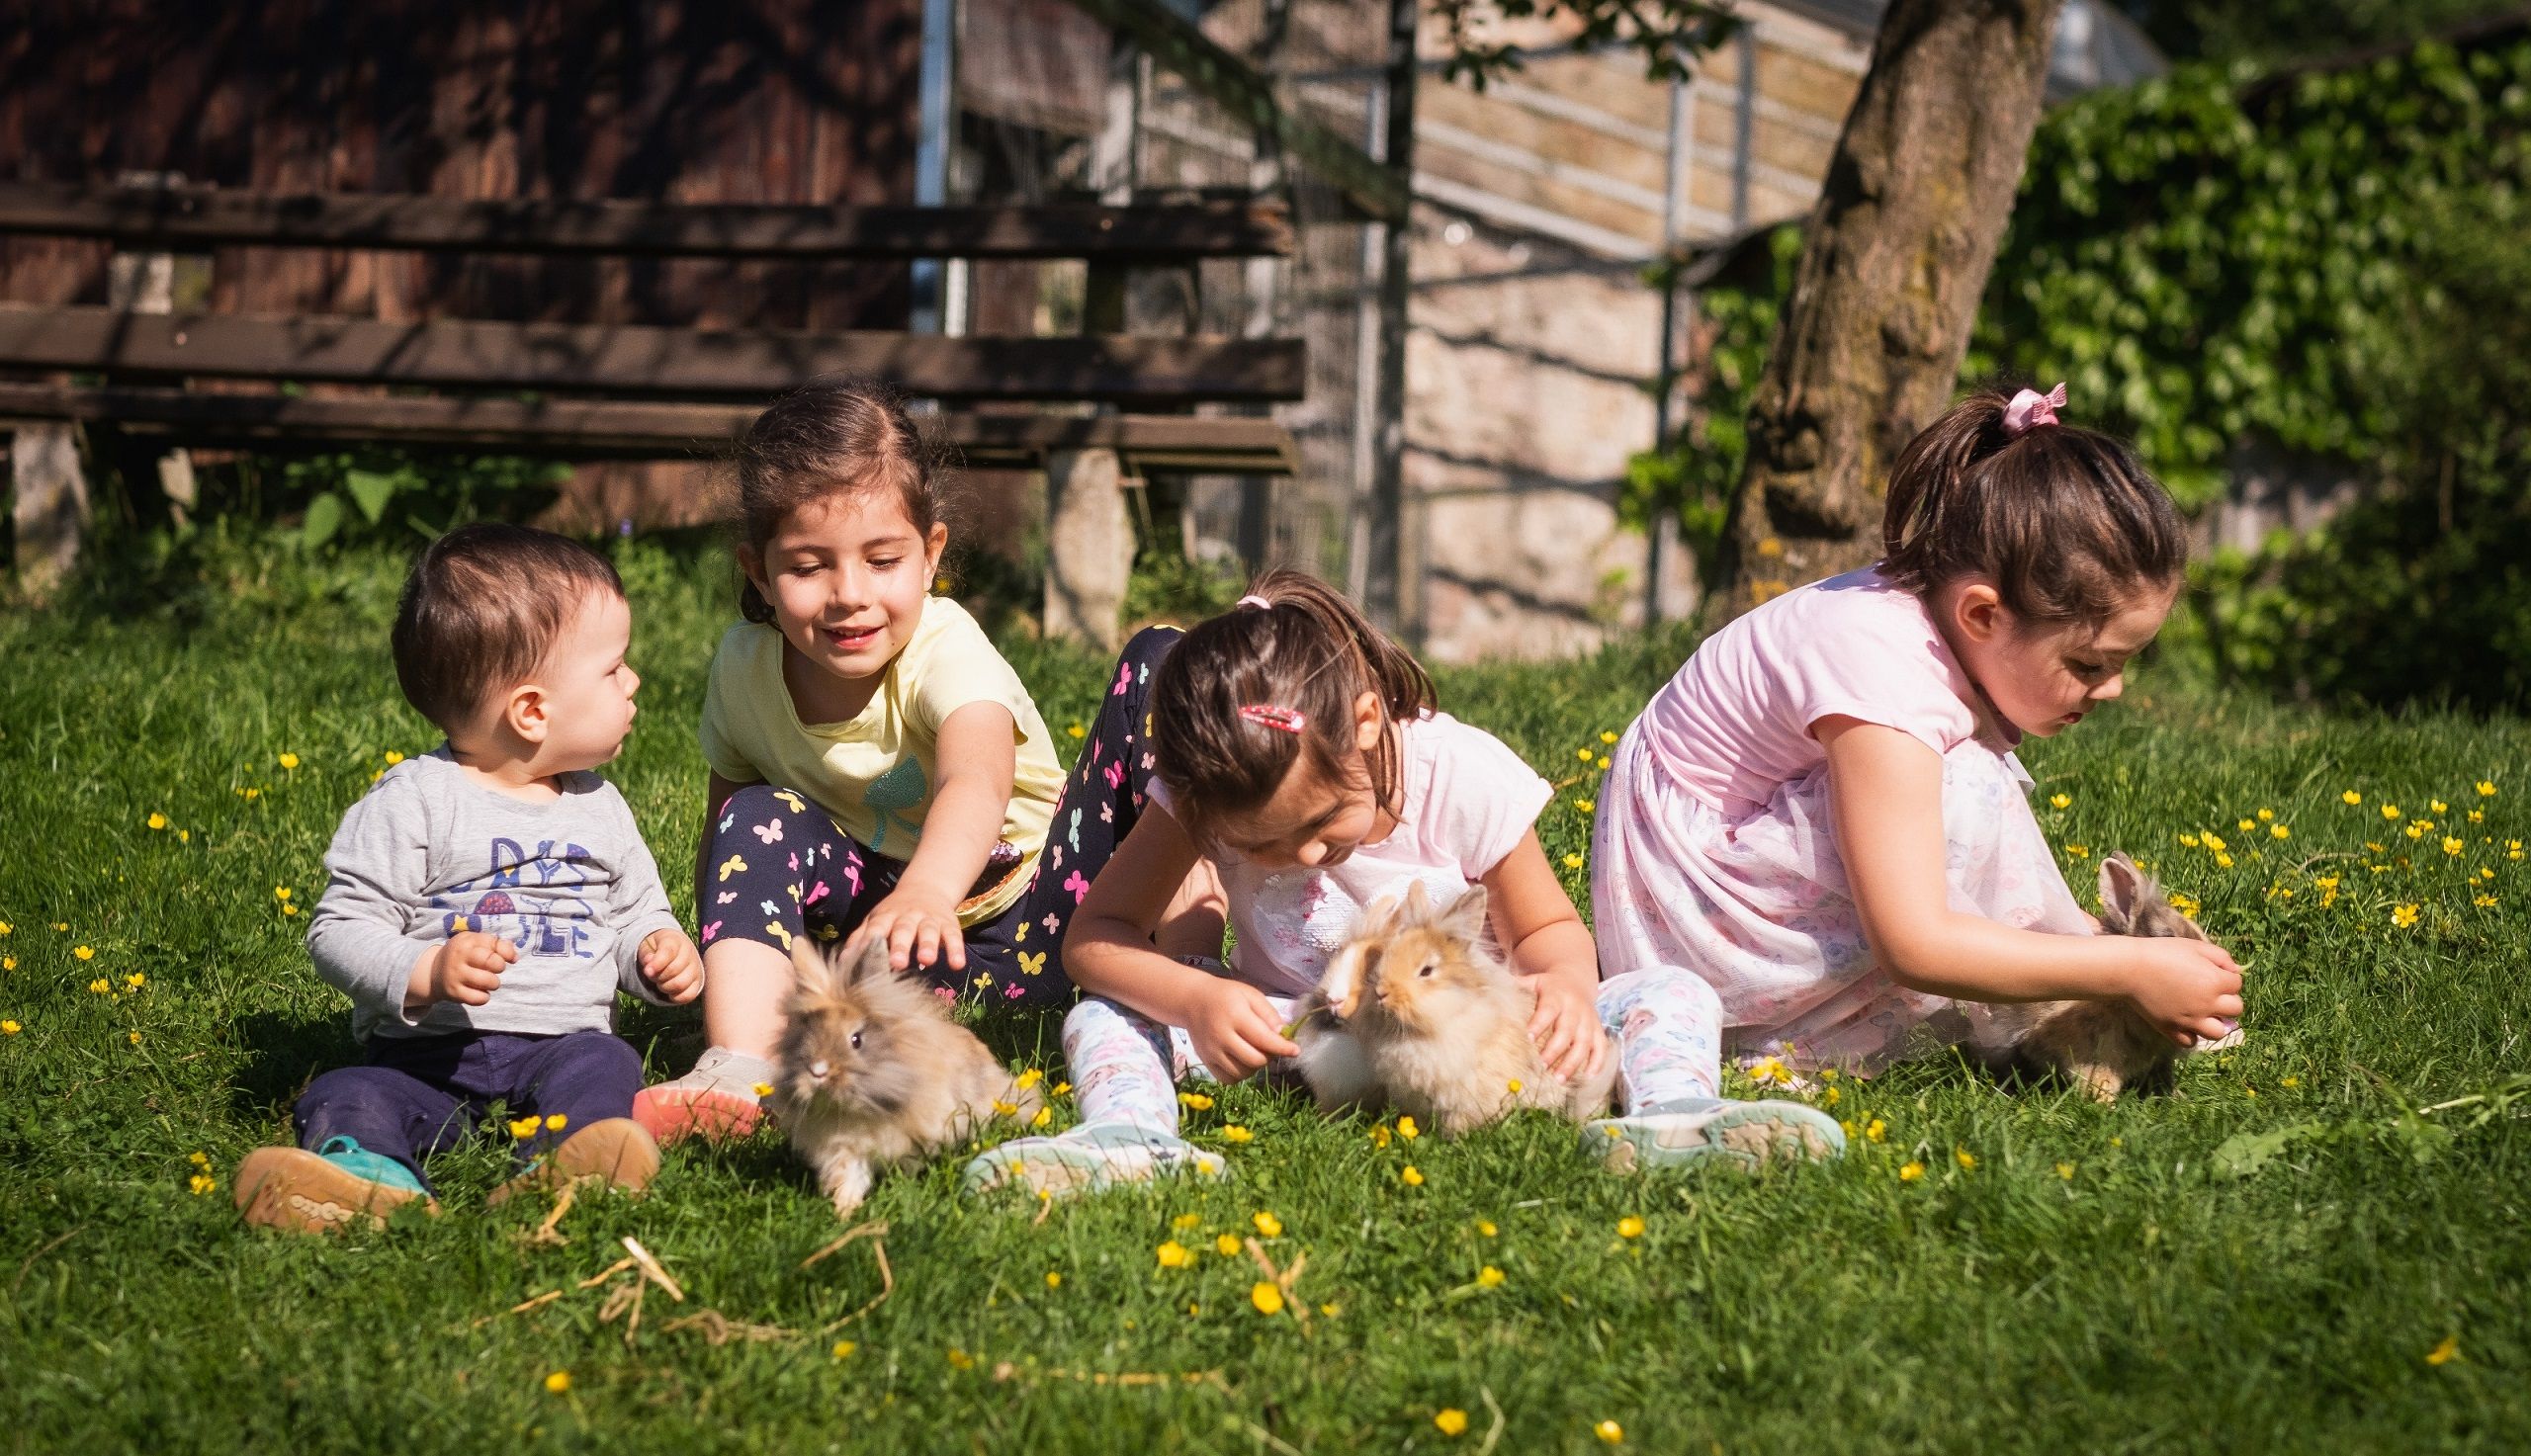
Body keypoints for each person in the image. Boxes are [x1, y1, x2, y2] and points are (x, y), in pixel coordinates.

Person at [966, 570, 1842, 1197]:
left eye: (1323, 821)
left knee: (1669, 991)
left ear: (1366, 721)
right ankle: (1129, 1138)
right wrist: (1195, 997)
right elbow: (1096, 938)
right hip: (1300, 1035)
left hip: (1476, 1033)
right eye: (1263, 846)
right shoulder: (1201, 794)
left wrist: (1566, 991)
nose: (1307, 855)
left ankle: (1678, 1115)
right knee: (1105, 1014)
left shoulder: (1458, 773)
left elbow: (1548, 930)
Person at [1591, 384, 2245, 1095]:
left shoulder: (1924, 633)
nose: (2113, 689)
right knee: (1963, 790)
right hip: (1695, 922)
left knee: (1960, 785)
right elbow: (1913, 942)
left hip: (1718, 878)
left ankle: (2054, 971)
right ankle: (1785, 1042)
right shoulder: (1885, 682)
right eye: (2089, 664)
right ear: (1982, 615)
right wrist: (2129, 968)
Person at [634, 379, 1220, 1145]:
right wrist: (718, 957)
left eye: (882, 559)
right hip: (893, 965)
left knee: (1162, 660)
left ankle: (1190, 981)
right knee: (758, 813)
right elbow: (729, 837)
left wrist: (927, 891)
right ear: (759, 572)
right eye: (809, 566)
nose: (849, 594)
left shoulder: (945, 647)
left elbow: (977, 776)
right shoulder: (744, 670)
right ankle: (740, 1067)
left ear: (930, 553)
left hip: (1060, 917)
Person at [235, 525, 701, 1233]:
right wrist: (422, 970)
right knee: (351, 1088)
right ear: (532, 711)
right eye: (613, 669)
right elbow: (339, 929)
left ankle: (566, 1162)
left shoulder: (600, 807)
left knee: (606, 1064)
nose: (633, 680)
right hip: (426, 1057)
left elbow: (634, 911)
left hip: (562, 1045)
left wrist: (655, 951)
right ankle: (367, 1178)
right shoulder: (415, 800)